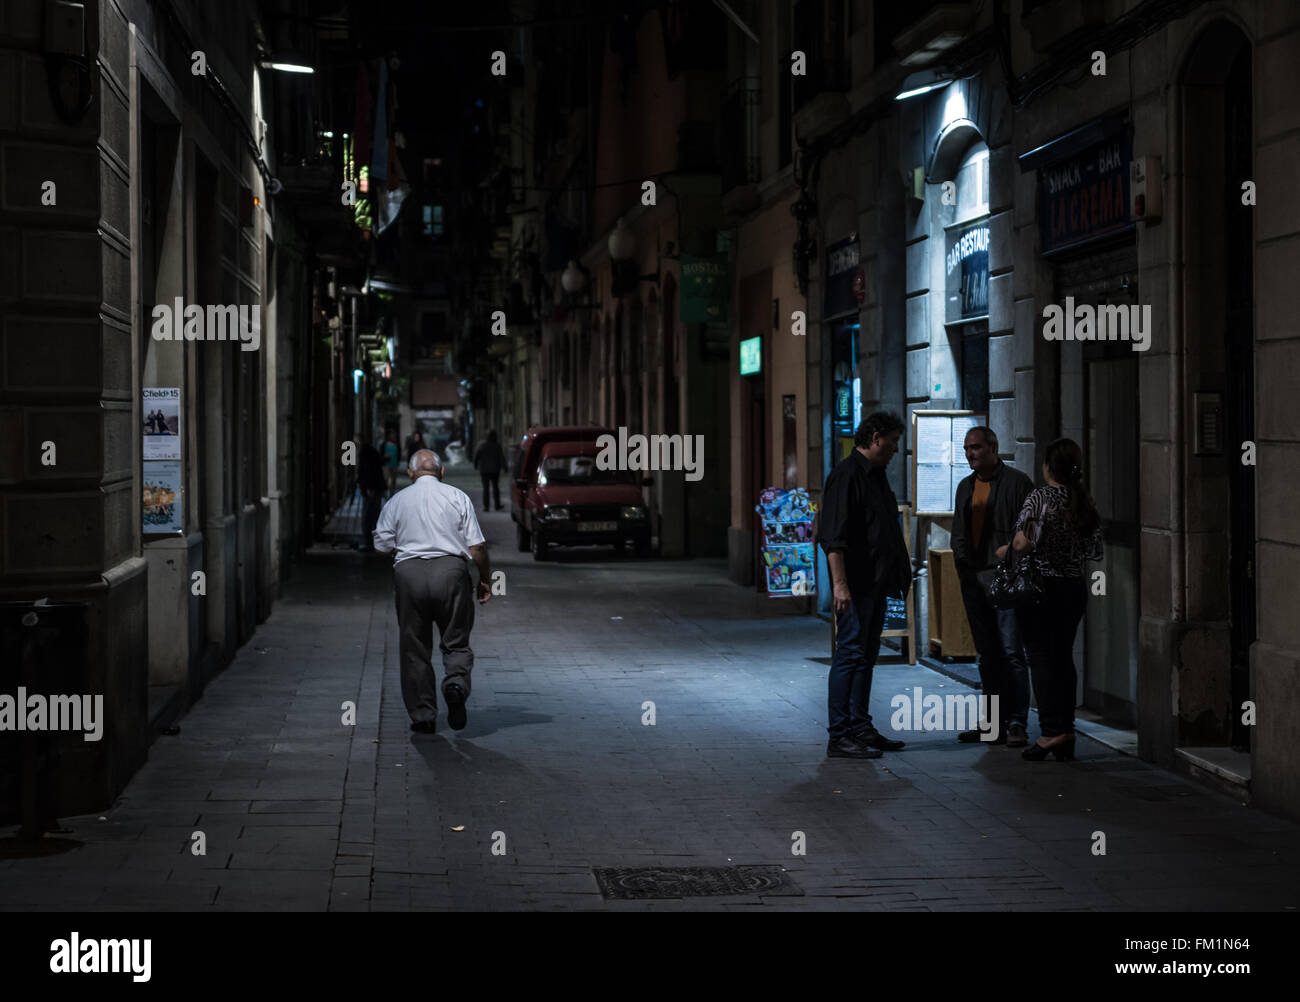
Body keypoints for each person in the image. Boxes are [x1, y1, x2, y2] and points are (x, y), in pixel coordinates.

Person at [373, 450, 493, 734]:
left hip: (409, 575)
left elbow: (381, 547)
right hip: (451, 573)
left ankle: (423, 715)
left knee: (413, 646)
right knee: (456, 640)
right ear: (441, 472)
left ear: (410, 473)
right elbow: (477, 547)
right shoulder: (457, 497)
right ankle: (455, 684)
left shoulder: (397, 501)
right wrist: (484, 579)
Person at [817, 411, 912, 760]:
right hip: (857, 584)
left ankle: (860, 726)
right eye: (892, 442)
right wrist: (840, 585)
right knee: (850, 654)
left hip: (877, 583)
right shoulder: (847, 476)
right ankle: (839, 734)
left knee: (866, 656)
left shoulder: (877, 475)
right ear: (874, 438)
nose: (895, 449)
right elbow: (834, 538)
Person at [1006, 438, 1103, 762]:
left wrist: (1006, 549)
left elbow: (1023, 543)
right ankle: (1067, 729)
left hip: (1041, 589)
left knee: (1040, 658)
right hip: (1073, 589)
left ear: (1048, 467)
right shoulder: (1084, 502)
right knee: (1063, 657)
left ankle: (1050, 732)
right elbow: (1095, 551)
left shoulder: (1040, 498)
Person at [950, 426, 1034, 747]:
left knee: (1012, 652)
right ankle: (992, 723)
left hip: (1006, 581)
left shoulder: (1016, 483)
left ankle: (1016, 722)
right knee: (987, 654)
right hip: (974, 580)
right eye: (967, 448)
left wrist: (1009, 560)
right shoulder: (966, 487)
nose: (971, 453)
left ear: (993, 447)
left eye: (976, 448)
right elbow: (959, 530)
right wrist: (963, 566)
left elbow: (1027, 533)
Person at [357, 441, 387, 551]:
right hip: (376, 487)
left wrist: (369, 487)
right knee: (373, 512)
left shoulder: (366, 455)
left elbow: (367, 471)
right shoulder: (371, 453)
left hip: (372, 488)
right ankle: (373, 539)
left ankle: (369, 541)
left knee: (369, 514)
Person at [473, 429, 507, 511]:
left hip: (484, 470)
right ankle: (497, 505)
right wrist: (505, 467)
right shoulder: (497, 446)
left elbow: (477, 456)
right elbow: (501, 457)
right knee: (495, 488)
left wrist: (476, 465)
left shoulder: (483, 445)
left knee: (486, 488)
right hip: (495, 470)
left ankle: (486, 506)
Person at [381, 429, 401, 495]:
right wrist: (384, 456)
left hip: (394, 464)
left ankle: (392, 494)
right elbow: (381, 453)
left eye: (394, 435)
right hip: (386, 465)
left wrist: (398, 461)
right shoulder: (384, 444)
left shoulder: (397, 444)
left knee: (393, 481)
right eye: (392, 435)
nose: (393, 436)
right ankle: (384, 493)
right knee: (386, 479)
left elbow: (399, 453)